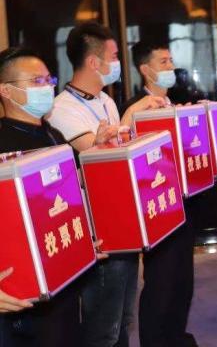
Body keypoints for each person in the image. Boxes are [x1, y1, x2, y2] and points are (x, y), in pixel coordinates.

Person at [47, 23, 164, 347]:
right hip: (97, 229)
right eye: (113, 56)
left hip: (121, 220)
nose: (117, 63)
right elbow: (99, 161)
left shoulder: (106, 101)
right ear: (93, 62)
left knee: (124, 317)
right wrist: (131, 114)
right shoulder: (62, 108)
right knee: (103, 325)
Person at [0, 47, 104, 346]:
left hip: (63, 276)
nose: (47, 87)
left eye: (49, 79)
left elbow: (69, 198)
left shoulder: (53, 135)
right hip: (24, 291)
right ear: (7, 91)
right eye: (36, 81)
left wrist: (83, 244)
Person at [121, 41, 198, 347]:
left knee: (183, 280)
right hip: (157, 208)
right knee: (161, 283)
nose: (171, 67)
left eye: (170, 61)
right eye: (163, 62)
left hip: (185, 204)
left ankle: (177, 337)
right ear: (145, 69)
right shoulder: (134, 109)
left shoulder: (175, 104)